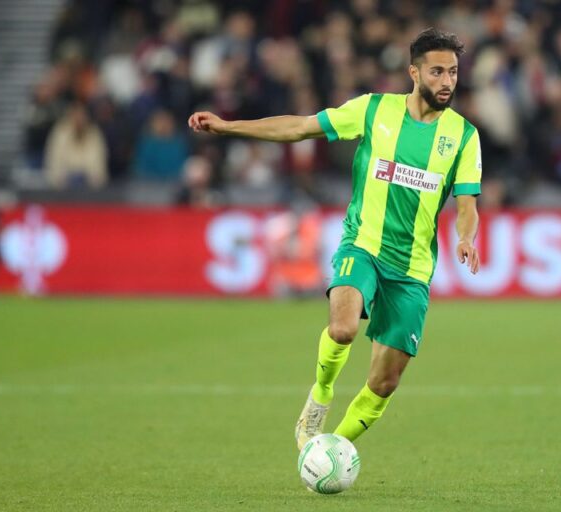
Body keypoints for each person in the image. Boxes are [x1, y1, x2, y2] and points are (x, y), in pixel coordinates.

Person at [188, 28, 482, 449]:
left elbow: (467, 204)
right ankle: (321, 394)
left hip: (412, 269)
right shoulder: (373, 109)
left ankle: (331, 449)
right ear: (414, 73)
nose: (447, 81)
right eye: (437, 72)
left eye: (452, 72)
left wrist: (465, 237)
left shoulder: (464, 136)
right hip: (362, 245)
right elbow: (300, 127)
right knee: (342, 329)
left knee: (384, 382)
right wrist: (228, 126)